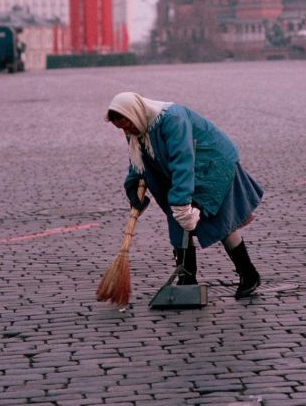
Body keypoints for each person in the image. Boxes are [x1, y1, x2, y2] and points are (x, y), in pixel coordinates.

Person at [105, 92, 263, 299]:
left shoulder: (173, 120)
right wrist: (133, 186)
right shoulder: (136, 126)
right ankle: (187, 278)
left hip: (211, 166)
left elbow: (183, 161)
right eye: (122, 128)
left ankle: (249, 274)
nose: (127, 131)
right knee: (177, 222)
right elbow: (138, 161)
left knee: (219, 220)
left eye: (127, 125)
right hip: (185, 172)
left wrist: (181, 204)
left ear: (134, 113)